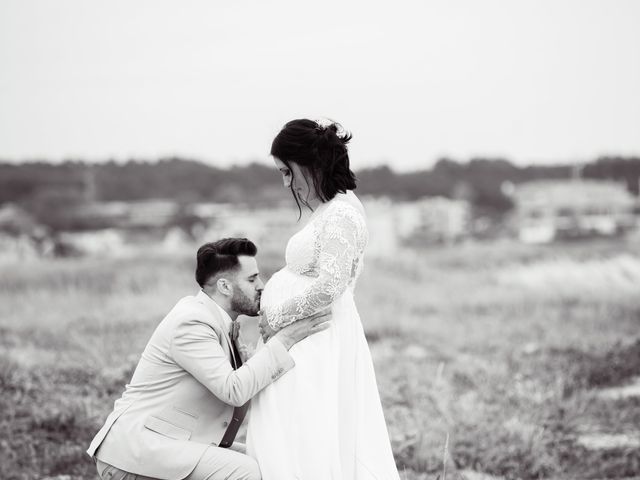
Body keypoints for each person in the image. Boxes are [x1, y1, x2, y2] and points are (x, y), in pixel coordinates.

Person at [86, 238, 330, 480]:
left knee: (267, 461)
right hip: (136, 453)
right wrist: (285, 340)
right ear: (224, 286)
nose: (261, 285)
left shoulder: (222, 323)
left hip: (175, 446)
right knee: (246, 472)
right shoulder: (192, 322)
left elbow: (250, 380)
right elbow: (234, 389)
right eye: (252, 278)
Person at [247, 119, 400, 479]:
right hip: (308, 339)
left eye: (288, 172)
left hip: (317, 341)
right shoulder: (331, 209)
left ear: (309, 162)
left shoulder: (343, 212)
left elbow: (331, 286)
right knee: (298, 433)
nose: (287, 183)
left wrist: (277, 317)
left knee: (310, 435)